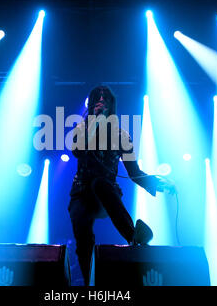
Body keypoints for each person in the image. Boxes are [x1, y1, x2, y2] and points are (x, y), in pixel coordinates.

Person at [68, 85, 177, 285]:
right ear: (92, 105)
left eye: (105, 99)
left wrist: (159, 184)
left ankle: (133, 237)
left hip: (105, 195)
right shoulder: (82, 128)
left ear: (111, 106)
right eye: (97, 98)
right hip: (81, 193)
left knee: (100, 183)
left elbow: (134, 173)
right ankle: (88, 284)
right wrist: (93, 123)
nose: (101, 101)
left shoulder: (121, 136)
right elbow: (77, 150)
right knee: (82, 239)